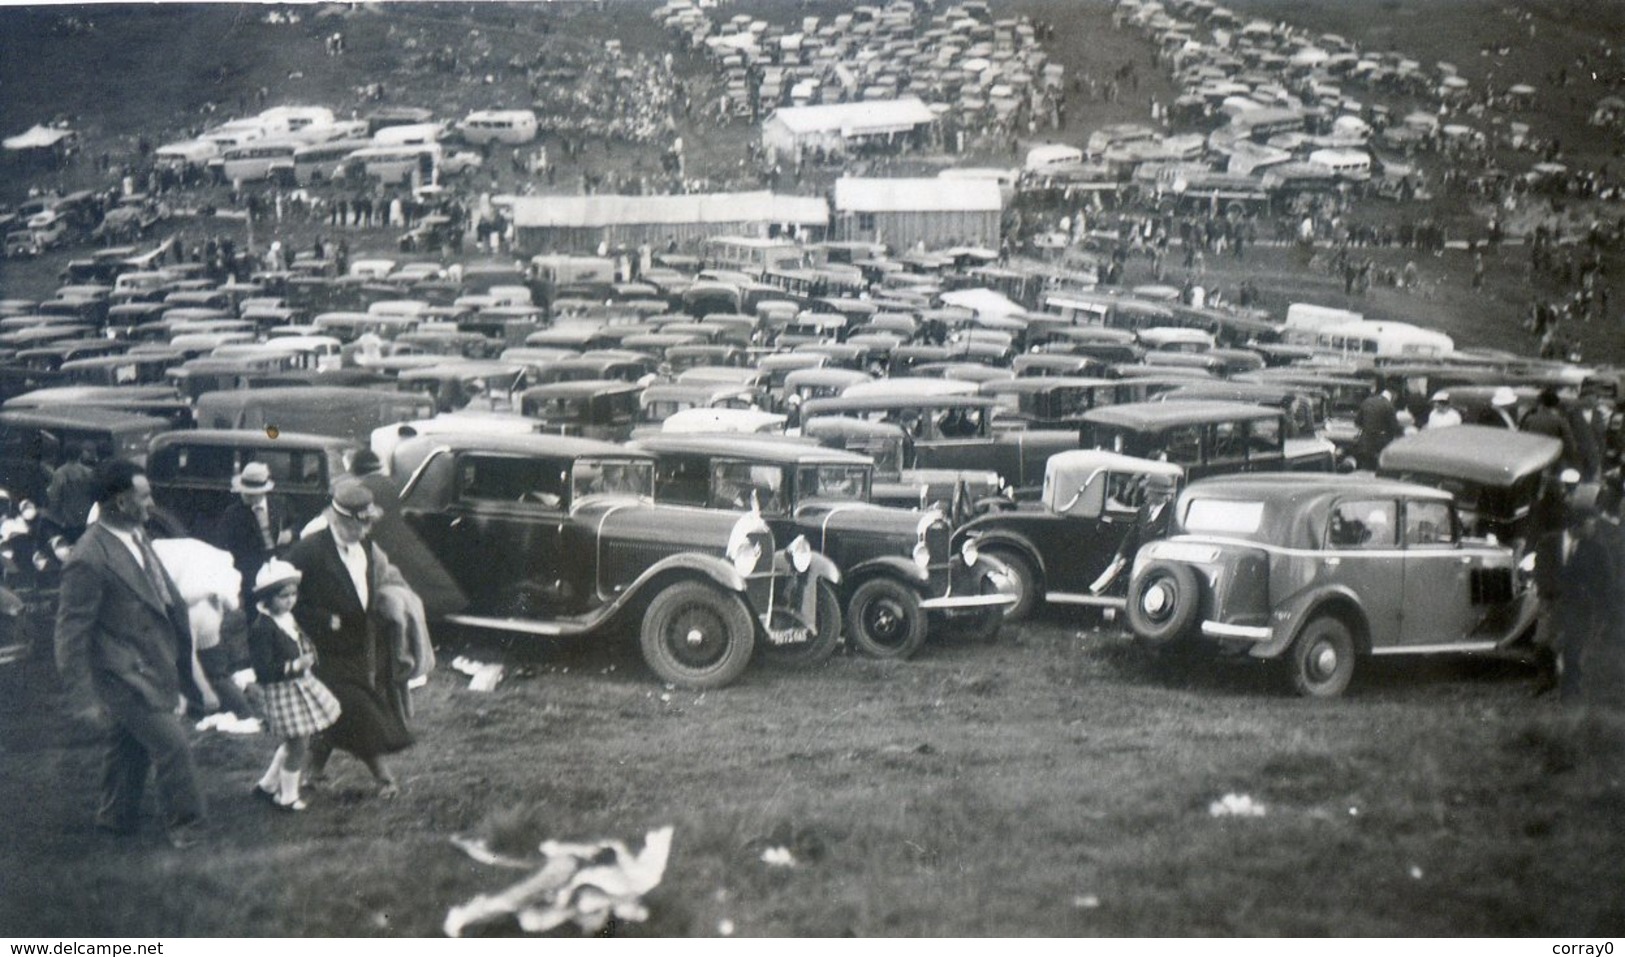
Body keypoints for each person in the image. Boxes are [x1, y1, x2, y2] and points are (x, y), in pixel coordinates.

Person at [53, 461, 210, 848]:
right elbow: (71, 632)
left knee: (129, 743)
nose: (152, 503)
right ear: (122, 502)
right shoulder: (88, 558)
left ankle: (115, 818)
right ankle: (189, 828)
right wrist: (83, 697)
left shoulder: (134, 536)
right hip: (121, 673)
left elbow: (162, 597)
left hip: (151, 662)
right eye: (145, 496)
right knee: (172, 745)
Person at [285, 481, 414, 798]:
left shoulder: (367, 548)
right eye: (359, 523)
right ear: (340, 521)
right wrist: (322, 620)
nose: (365, 529)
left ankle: (311, 775)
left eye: (368, 522)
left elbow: (370, 586)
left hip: (358, 644)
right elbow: (285, 599)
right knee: (356, 710)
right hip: (321, 648)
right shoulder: (308, 551)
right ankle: (384, 779)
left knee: (335, 713)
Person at [247, 560, 342, 813]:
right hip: (281, 690)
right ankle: (287, 796)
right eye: (282, 596)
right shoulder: (262, 628)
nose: (289, 601)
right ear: (267, 598)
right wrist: (295, 665)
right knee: (298, 743)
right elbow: (264, 671)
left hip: (299, 685)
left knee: (296, 741)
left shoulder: (286, 617)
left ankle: (267, 786)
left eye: (293, 594)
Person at [209, 461, 295, 618]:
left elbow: (296, 524)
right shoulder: (233, 514)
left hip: (279, 568)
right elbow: (221, 548)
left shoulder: (279, 504)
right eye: (244, 491)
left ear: (263, 492)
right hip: (250, 577)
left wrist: (290, 534)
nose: (245, 496)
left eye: (251, 493)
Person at [1090, 472, 1177, 596]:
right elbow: (1131, 536)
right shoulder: (1144, 510)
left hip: (1159, 570)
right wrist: (1120, 556)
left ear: (1162, 495)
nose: (1146, 494)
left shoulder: (1173, 514)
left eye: (1150, 491)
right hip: (1139, 565)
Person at [47, 442, 99, 542]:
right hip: (86, 516)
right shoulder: (89, 472)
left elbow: (54, 496)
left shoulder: (60, 473)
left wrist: (54, 514)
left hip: (68, 518)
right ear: (80, 454)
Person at [1353, 388, 1402, 469]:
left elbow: (1357, 422)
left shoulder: (1367, 402)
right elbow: (1394, 427)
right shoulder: (1388, 406)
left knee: (1364, 466)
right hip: (1380, 444)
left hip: (1365, 442)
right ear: (1392, 397)